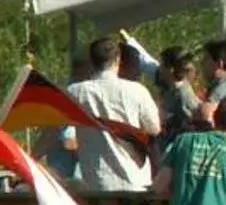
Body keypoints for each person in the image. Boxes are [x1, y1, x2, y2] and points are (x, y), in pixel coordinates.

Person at [67, 34, 162, 193]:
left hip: (98, 181)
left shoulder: (76, 92)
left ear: (92, 61)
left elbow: (52, 131)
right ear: (118, 60)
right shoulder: (138, 91)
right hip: (136, 179)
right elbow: (154, 129)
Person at [154, 46, 201, 147]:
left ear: (170, 69)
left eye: (162, 65)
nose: (159, 68)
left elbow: (195, 123)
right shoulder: (170, 91)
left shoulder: (183, 95)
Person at [203, 38, 226, 112]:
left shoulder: (217, 95)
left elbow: (208, 119)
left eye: (205, 60)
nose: (202, 64)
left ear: (219, 64)